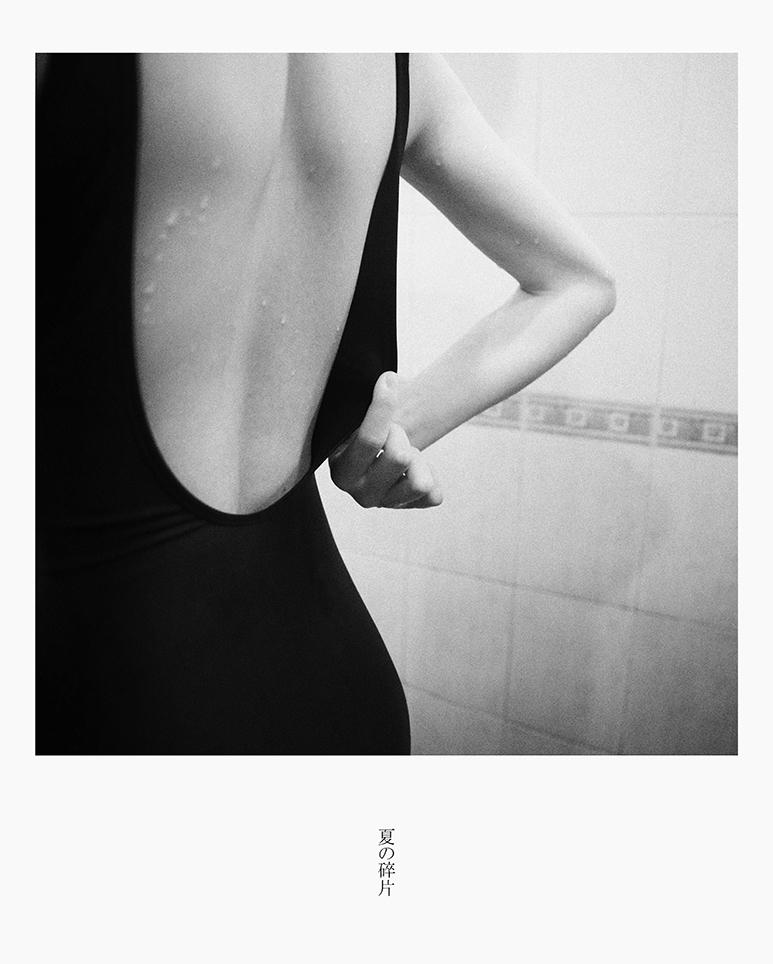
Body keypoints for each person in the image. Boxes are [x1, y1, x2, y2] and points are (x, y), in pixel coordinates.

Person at [35, 53, 615, 754]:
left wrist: (382, 429)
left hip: (106, 686)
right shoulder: (400, 62)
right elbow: (579, 281)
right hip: (336, 679)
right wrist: (391, 429)